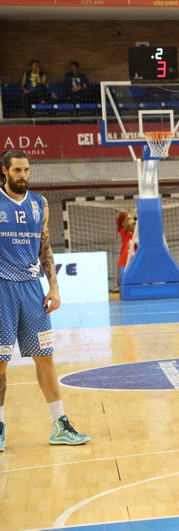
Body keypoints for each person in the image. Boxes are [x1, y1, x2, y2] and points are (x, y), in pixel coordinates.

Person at [0, 150, 91, 451]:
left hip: (32, 288)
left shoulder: (40, 203)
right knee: (0, 362)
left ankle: (59, 425)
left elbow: (45, 246)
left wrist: (54, 286)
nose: (23, 175)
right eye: (17, 170)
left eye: (26, 170)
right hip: (2, 288)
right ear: (4, 171)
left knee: (46, 356)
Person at [116, 210, 137, 283]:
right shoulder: (124, 232)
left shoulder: (138, 233)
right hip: (124, 260)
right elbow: (120, 222)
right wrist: (127, 214)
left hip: (135, 260)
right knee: (123, 278)